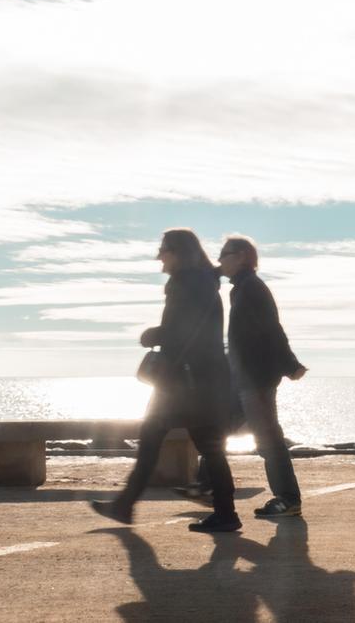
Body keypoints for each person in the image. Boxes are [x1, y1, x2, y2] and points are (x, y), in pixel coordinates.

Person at [91, 228, 242, 532]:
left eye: (163, 250)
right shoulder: (204, 282)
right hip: (201, 378)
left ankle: (127, 505)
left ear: (178, 253)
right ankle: (223, 512)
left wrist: (152, 335)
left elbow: (180, 331)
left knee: (160, 440)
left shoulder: (186, 284)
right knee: (204, 446)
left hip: (183, 380)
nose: (159, 256)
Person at [217, 234, 309, 518]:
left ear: (242, 256)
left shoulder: (252, 288)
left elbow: (272, 329)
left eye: (224, 255)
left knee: (268, 439)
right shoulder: (241, 288)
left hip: (256, 379)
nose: (219, 261)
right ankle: (206, 485)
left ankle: (288, 499)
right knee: (216, 430)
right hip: (242, 378)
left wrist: (290, 365)